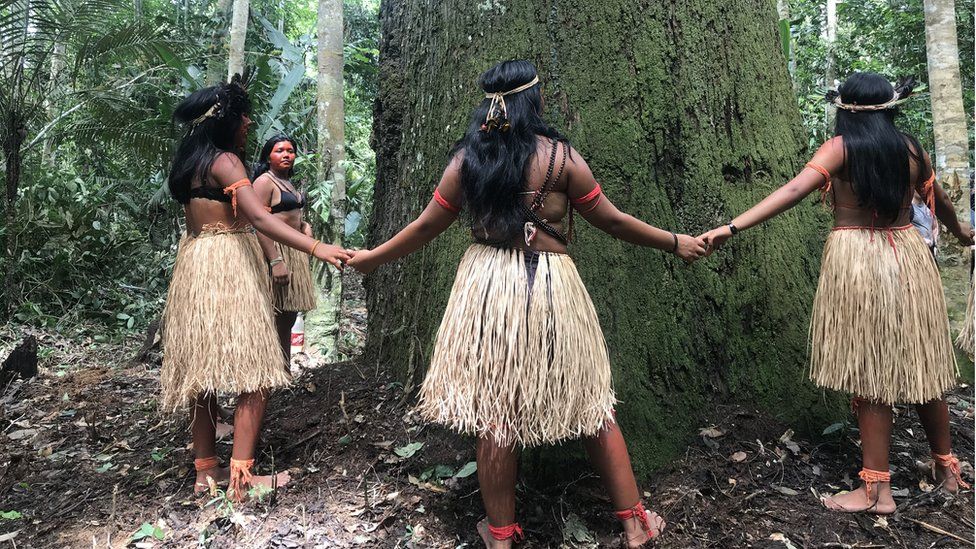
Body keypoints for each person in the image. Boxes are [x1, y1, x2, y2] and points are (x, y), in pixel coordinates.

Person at [348, 60, 706, 547]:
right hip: (554, 287)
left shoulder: (468, 158)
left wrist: (373, 258)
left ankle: (500, 536)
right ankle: (634, 523)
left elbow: (425, 226)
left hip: (490, 287)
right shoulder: (561, 157)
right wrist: (675, 241)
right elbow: (615, 221)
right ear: (533, 101)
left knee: (498, 414)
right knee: (592, 407)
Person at [699, 73, 975, 514]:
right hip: (908, 255)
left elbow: (792, 190)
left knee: (870, 371)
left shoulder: (841, 149)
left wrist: (731, 227)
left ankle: (876, 491)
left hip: (859, 260)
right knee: (924, 363)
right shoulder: (910, 149)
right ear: (891, 108)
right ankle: (947, 468)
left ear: (843, 109)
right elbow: (936, 199)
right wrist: (962, 232)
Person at [161, 77, 351, 501]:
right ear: (225, 121)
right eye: (243, 115)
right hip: (229, 262)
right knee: (258, 370)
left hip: (194, 262)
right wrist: (318, 247)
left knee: (201, 373)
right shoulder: (226, 161)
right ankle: (240, 482)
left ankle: (204, 474)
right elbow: (261, 219)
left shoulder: (189, 163)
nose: (248, 122)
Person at [253, 135, 317, 368]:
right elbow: (259, 222)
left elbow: (291, 215)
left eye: (290, 151)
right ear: (268, 156)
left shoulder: (288, 182)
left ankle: (283, 366)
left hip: (294, 251)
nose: (286, 155)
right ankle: (268, 367)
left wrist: (304, 226)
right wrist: (275, 260)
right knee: (274, 312)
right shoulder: (264, 182)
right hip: (276, 251)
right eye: (280, 150)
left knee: (289, 315)